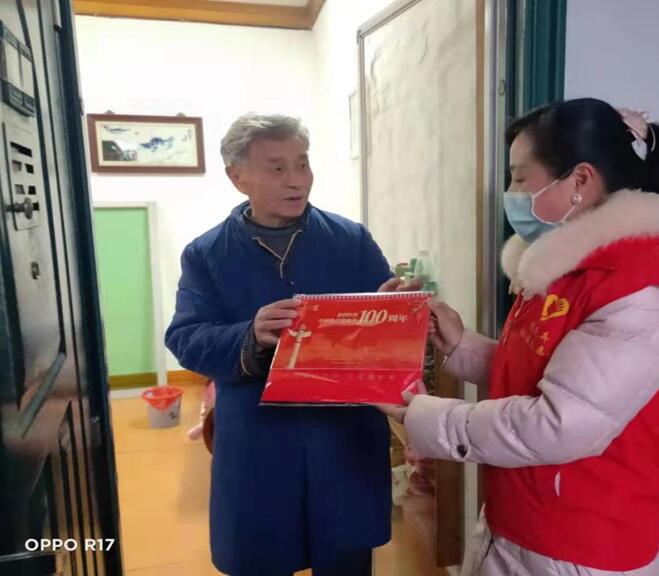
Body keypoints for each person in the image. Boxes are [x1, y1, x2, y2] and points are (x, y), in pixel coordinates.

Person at [380, 98, 659, 575]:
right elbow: (548, 373)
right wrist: (461, 345)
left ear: (580, 181)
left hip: (578, 545)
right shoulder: (566, 267)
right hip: (523, 519)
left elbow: (558, 422)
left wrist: (424, 416)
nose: (509, 195)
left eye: (519, 178)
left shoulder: (636, 285)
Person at [165, 113, 416, 576]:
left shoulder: (351, 240)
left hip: (344, 438)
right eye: (277, 168)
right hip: (258, 440)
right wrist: (249, 334)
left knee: (345, 556)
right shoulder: (206, 253)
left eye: (302, 164)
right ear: (238, 177)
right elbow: (185, 337)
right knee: (261, 555)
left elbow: (384, 327)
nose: (297, 179)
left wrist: (394, 308)